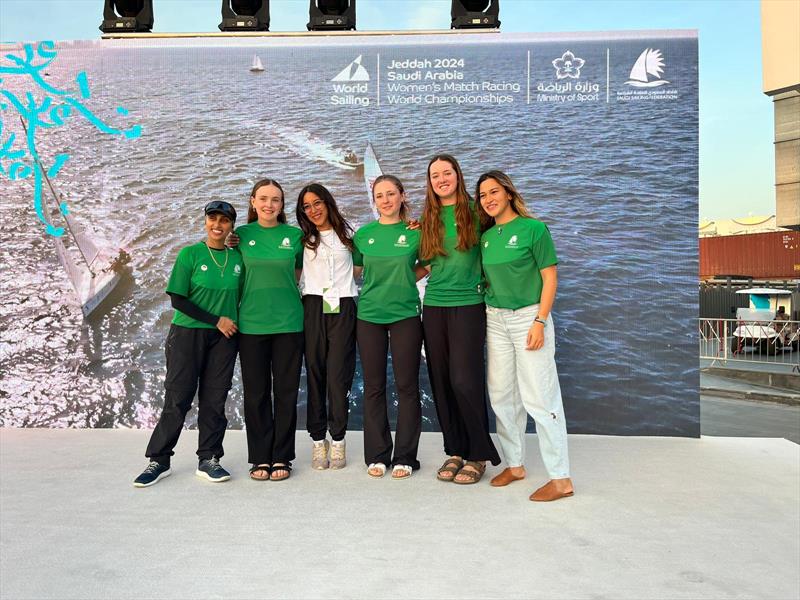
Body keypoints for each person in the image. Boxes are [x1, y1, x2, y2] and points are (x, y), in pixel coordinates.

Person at [476, 170, 574, 502]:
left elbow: (550, 278)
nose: (488, 200)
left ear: (507, 192)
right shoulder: (487, 237)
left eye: (493, 192)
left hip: (528, 319)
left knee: (540, 398)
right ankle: (515, 464)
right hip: (495, 320)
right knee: (502, 396)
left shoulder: (534, 229)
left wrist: (539, 321)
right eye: (482, 195)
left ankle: (560, 478)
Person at [133, 201, 242, 488]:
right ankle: (159, 459)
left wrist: (226, 324)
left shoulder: (237, 259)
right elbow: (178, 299)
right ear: (206, 222)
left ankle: (209, 459)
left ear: (232, 225)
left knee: (215, 400)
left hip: (225, 339)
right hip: (187, 334)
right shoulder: (190, 255)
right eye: (212, 219)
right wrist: (216, 319)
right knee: (178, 398)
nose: (217, 225)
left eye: (224, 221)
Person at [419, 154, 500, 484]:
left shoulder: (478, 211)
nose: (441, 179)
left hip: (469, 305)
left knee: (464, 380)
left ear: (457, 175)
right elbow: (425, 264)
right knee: (440, 380)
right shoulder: (427, 218)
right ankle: (455, 450)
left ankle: (478, 453)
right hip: (434, 306)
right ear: (430, 182)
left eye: (447, 172)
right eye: (435, 175)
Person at [353, 175, 427, 479]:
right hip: (369, 316)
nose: (385, 200)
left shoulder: (416, 233)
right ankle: (378, 454)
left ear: (402, 196)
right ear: (374, 200)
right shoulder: (364, 235)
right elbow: (356, 270)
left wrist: (407, 279)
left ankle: (405, 456)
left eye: (391, 194)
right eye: (379, 195)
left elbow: (430, 263)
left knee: (407, 386)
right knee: (373, 386)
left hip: (405, 315)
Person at [236, 179, 304, 482]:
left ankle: (282, 457)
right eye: (263, 199)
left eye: (275, 199)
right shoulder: (239, 237)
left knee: (286, 393)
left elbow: (301, 273)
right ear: (252, 202)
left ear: (282, 204)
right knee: (256, 394)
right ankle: (260, 457)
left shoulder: (296, 236)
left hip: (290, 324)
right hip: (251, 325)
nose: (269, 204)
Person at [296, 183, 358, 470]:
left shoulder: (350, 236)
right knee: (316, 375)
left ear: (328, 203)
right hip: (313, 307)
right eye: (307, 206)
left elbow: (369, 262)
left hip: (343, 307)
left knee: (339, 376)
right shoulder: (301, 241)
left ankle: (339, 438)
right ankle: (318, 439)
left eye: (317, 203)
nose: (313, 210)